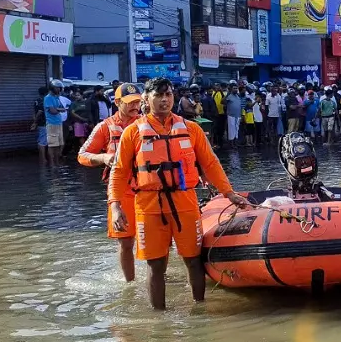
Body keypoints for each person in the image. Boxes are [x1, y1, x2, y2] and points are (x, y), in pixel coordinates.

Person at [108, 78, 248, 310]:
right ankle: (159, 319)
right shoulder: (132, 132)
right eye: (158, 95)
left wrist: (229, 193)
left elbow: (211, 163)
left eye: (168, 95)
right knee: (155, 265)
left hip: (185, 201)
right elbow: (119, 171)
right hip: (148, 205)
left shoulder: (191, 129)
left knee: (193, 259)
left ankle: (199, 311)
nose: (165, 100)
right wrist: (115, 205)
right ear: (146, 99)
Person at [78, 83, 144, 284]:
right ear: (117, 103)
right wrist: (103, 158)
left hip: (147, 188)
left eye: (137, 102)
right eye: (129, 102)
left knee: (157, 239)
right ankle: (130, 284)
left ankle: (159, 277)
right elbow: (82, 155)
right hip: (121, 192)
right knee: (126, 242)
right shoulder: (105, 126)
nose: (135, 106)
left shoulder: (146, 123)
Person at [43, 80, 66, 166]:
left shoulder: (56, 98)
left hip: (58, 123)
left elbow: (62, 109)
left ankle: (57, 163)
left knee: (59, 144)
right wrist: (58, 109)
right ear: (52, 88)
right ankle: (52, 164)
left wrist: (58, 109)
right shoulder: (48, 98)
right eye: (57, 88)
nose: (59, 89)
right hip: (51, 124)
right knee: (52, 145)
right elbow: (53, 111)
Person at [31, 86, 48, 165]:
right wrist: (35, 122)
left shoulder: (36, 101)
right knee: (42, 142)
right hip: (44, 124)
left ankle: (42, 158)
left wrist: (35, 122)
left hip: (40, 124)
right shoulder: (44, 101)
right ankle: (43, 159)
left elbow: (34, 113)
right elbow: (39, 112)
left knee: (41, 140)